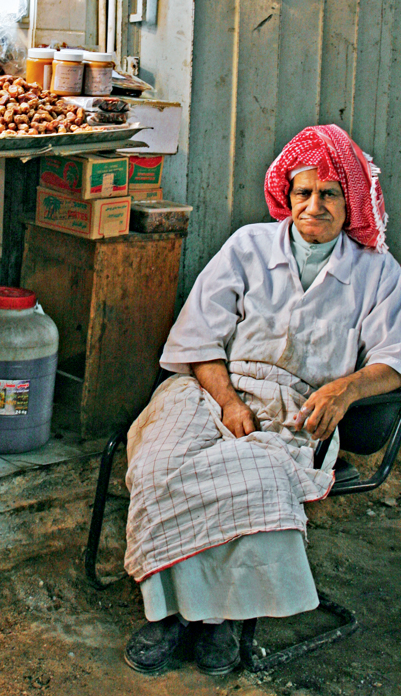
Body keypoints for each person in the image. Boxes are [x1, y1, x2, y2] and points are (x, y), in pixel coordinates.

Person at [123, 124, 401, 676]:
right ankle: (168, 614)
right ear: (287, 197)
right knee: (158, 464)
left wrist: (345, 390)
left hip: (297, 406)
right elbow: (199, 337)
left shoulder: (377, 272)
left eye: (329, 193)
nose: (315, 205)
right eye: (304, 192)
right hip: (209, 388)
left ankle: (220, 619)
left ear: (352, 201)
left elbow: (393, 360)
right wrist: (227, 401)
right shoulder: (248, 246)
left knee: (257, 481)